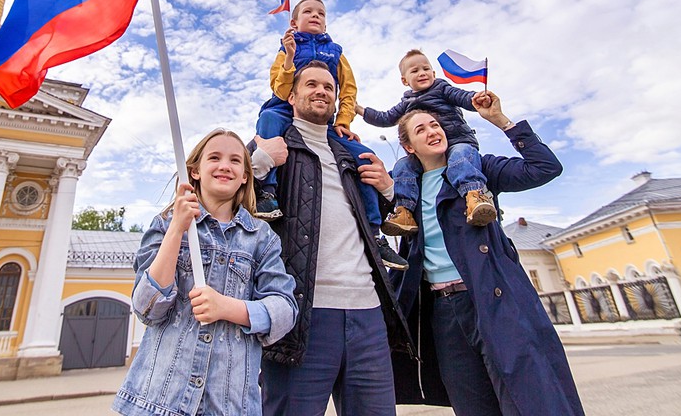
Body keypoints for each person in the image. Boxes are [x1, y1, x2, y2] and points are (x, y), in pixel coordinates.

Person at [388, 95, 585, 416]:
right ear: (409, 146)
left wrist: (502, 121)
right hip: (442, 313)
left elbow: (545, 168)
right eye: (421, 129)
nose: (432, 131)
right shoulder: (404, 191)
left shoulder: (477, 169)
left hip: (492, 301)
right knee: (472, 405)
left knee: (528, 400)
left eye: (435, 125)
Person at [251, 61, 415, 416]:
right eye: (311, 84)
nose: (322, 91)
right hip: (299, 315)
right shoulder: (272, 143)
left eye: (328, 87)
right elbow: (229, 196)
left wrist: (388, 188)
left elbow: (391, 218)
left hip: (368, 313)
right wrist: (261, 159)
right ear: (291, 95)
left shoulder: (350, 153)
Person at [113, 129, 298, 416]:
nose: (225, 165)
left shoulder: (262, 237)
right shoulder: (164, 225)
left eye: (235, 160)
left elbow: (285, 311)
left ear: (245, 176)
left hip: (230, 407)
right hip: (160, 403)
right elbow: (147, 308)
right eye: (214, 158)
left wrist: (227, 307)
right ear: (195, 171)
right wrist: (177, 228)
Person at [254, 0, 406, 269]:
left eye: (321, 13)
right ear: (294, 22)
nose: (316, 16)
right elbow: (280, 90)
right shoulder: (286, 48)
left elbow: (348, 91)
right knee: (267, 121)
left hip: (325, 120)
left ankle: (375, 233)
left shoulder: (336, 53)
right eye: (308, 12)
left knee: (365, 157)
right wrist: (289, 58)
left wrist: (344, 121)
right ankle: (267, 193)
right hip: (283, 108)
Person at [356, 49, 496, 236]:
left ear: (434, 73)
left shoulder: (442, 88)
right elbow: (385, 118)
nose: (422, 73)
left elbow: (462, 97)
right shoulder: (407, 102)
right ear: (404, 80)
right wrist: (359, 109)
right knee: (402, 166)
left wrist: (476, 99)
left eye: (426, 69)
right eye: (414, 71)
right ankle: (404, 211)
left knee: (460, 157)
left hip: (457, 141)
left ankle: (475, 196)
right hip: (426, 154)